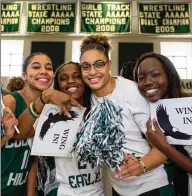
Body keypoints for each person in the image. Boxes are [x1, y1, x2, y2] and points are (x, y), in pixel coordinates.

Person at [79, 34, 173, 196]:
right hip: (120, 188)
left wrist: (141, 165)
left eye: (99, 64)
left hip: (151, 186)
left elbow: (165, 146)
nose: (92, 72)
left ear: (109, 64)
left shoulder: (131, 91)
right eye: (86, 67)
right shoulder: (89, 97)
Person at [2, 53, 81, 196]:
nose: (44, 71)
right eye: (36, 67)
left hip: (18, 189)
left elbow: (34, 159)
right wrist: (6, 137)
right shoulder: (10, 101)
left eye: (48, 68)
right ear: (24, 75)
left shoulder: (49, 108)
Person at [34, 61, 104, 196]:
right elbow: (24, 134)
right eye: (63, 78)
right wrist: (46, 95)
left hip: (97, 191)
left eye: (76, 76)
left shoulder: (98, 113)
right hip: (62, 191)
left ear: (84, 80)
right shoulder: (50, 115)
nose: (71, 81)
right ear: (58, 85)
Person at [134, 52, 192, 196]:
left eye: (155, 74)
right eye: (141, 78)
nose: (147, 82)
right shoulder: (143, 115)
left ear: (169, 76)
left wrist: (164, 147)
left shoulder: (188, 110)